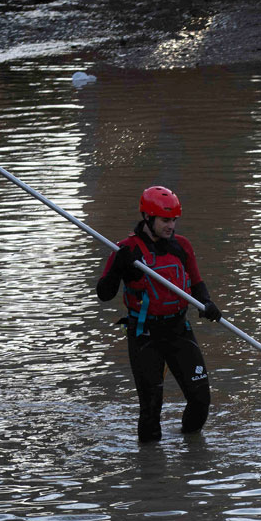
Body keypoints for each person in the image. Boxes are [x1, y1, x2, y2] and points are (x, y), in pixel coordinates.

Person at [95, 185, 224, 442]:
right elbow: (104, 294)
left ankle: (191, 450)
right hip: (144, 334)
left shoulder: (182, 246)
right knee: (151, 409)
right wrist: (118, 267)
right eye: (165, 220)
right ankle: (150, 461)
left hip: (178, 330)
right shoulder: (126, 250)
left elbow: (196, 283)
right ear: (147, 217)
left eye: (174, 220)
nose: (171, 226)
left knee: (201, 400)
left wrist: (207, 303)